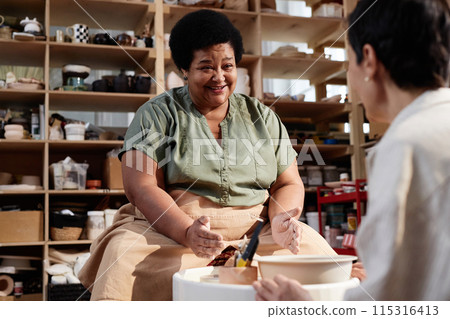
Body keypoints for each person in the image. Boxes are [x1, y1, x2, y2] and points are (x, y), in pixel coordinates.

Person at [78, 9, 336, 301]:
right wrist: (188, 232)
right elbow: (141, 186)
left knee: (321, 259)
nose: (219, 77)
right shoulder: (154, 114)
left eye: (228, 66)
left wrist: (281, 221)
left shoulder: (263, 117)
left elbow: (289, 183)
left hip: (257, 237)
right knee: (123, 259)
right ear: (184, 70)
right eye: (205, 67)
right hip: (173, 235)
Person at [253, 0, 450, 301]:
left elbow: (391, 301)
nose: (350, 75)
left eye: (349, 61)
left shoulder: (405, 146)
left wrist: (304, 305)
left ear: (369, 59)